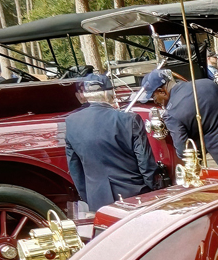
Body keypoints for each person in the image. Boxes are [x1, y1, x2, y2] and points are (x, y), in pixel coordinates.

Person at [63, 74, 160, 211]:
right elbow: (145, 161)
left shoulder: (71, 122)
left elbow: (75, 168)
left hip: (97, 198)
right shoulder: (129, 119)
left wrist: (87, 196)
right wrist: (153, 188)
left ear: (85, 95)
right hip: (134, 195)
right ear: (109, 94)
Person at [159, 56, 218, 170]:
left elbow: (183, 151)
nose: (155, 101)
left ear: (162, 91)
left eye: (154, 96)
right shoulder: (207, 83)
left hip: (216, 163)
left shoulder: (171, 113)